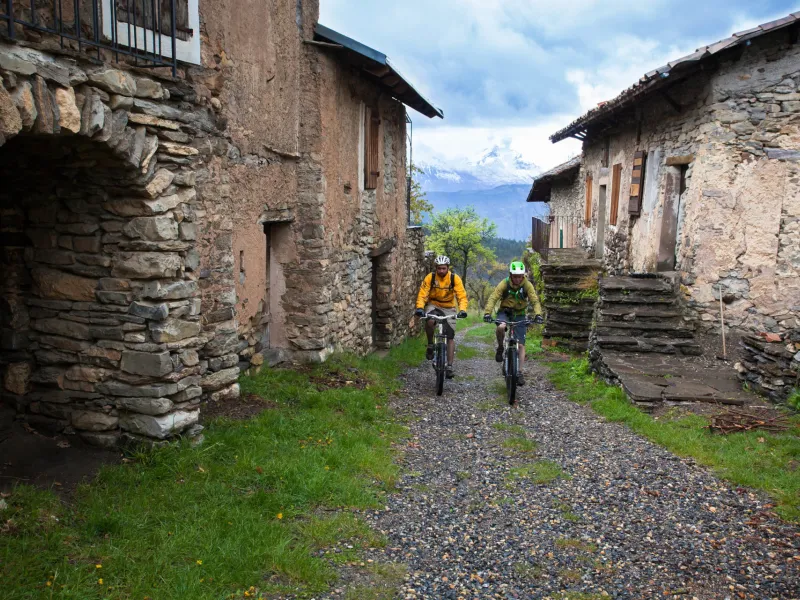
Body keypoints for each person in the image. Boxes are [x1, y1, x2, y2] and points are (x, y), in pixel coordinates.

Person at [483, 261, 544, 387]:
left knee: (521, 345)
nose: (517, 279)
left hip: (520, 314)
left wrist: (538, 314)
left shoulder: (527, 285)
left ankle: (520, 372)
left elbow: (534, 300)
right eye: (515, 276)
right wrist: (487, 313)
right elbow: (494, 297)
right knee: (501, 327)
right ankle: (500, 347)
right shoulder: (504, 283)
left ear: (523, 276)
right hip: (504, 312)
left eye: (520, 276)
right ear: (510, 275)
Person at [414, 255, 468, 379]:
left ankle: (449, 366)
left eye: (443, 268)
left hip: (449, 307)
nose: (441, 271)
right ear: (436, 268)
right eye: (439, 268)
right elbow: (423, 294)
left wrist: (463, 310)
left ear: (448, 268)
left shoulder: (454, 279)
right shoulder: (430, 277)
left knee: (450, 337)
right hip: (433, 304)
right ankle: (430, 344)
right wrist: (420, 308)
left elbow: (461, 296)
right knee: (430, 321)